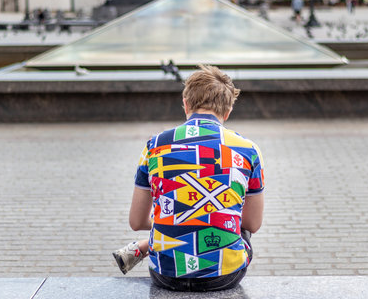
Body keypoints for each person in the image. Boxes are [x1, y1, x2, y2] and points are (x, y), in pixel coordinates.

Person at [113, 65, 265, 292]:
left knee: (172, 219)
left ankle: (146, 246)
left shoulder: (155, 145)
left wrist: (180, 218)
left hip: (165, 273)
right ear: (228, 111)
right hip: (224, 275)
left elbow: (136, 221)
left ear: (185, 104)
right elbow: (252, 224)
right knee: (238, 227)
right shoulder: (248, 149)